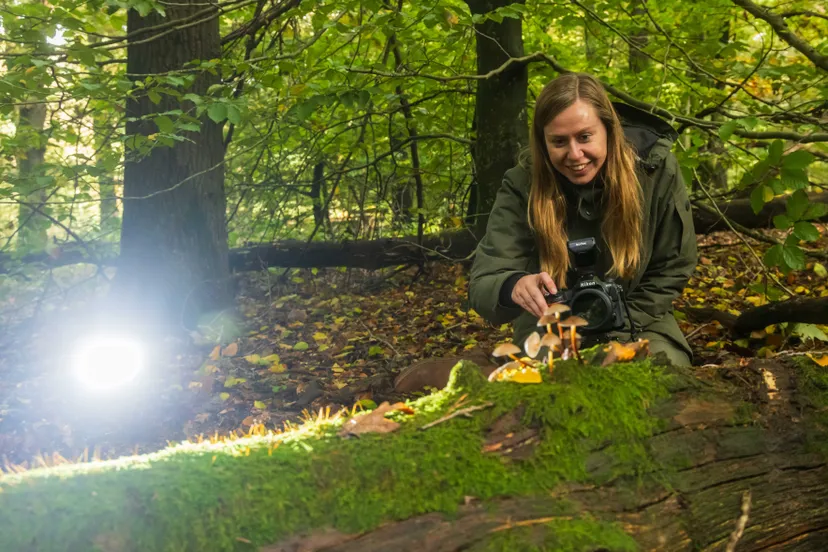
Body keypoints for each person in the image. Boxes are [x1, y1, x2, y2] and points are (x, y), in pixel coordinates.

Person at [469, 73, 697, 366]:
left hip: (642, 321)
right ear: (543, 143)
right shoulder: (522, 184)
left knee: (661, 378)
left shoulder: (654, 171)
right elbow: (485, 280)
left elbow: (675, 265)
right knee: (540, 393)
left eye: (585, 137)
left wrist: (623, 326)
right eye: (559, 141)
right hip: (550, 328)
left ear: (609, 130)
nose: (575, 154)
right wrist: (512, 285)